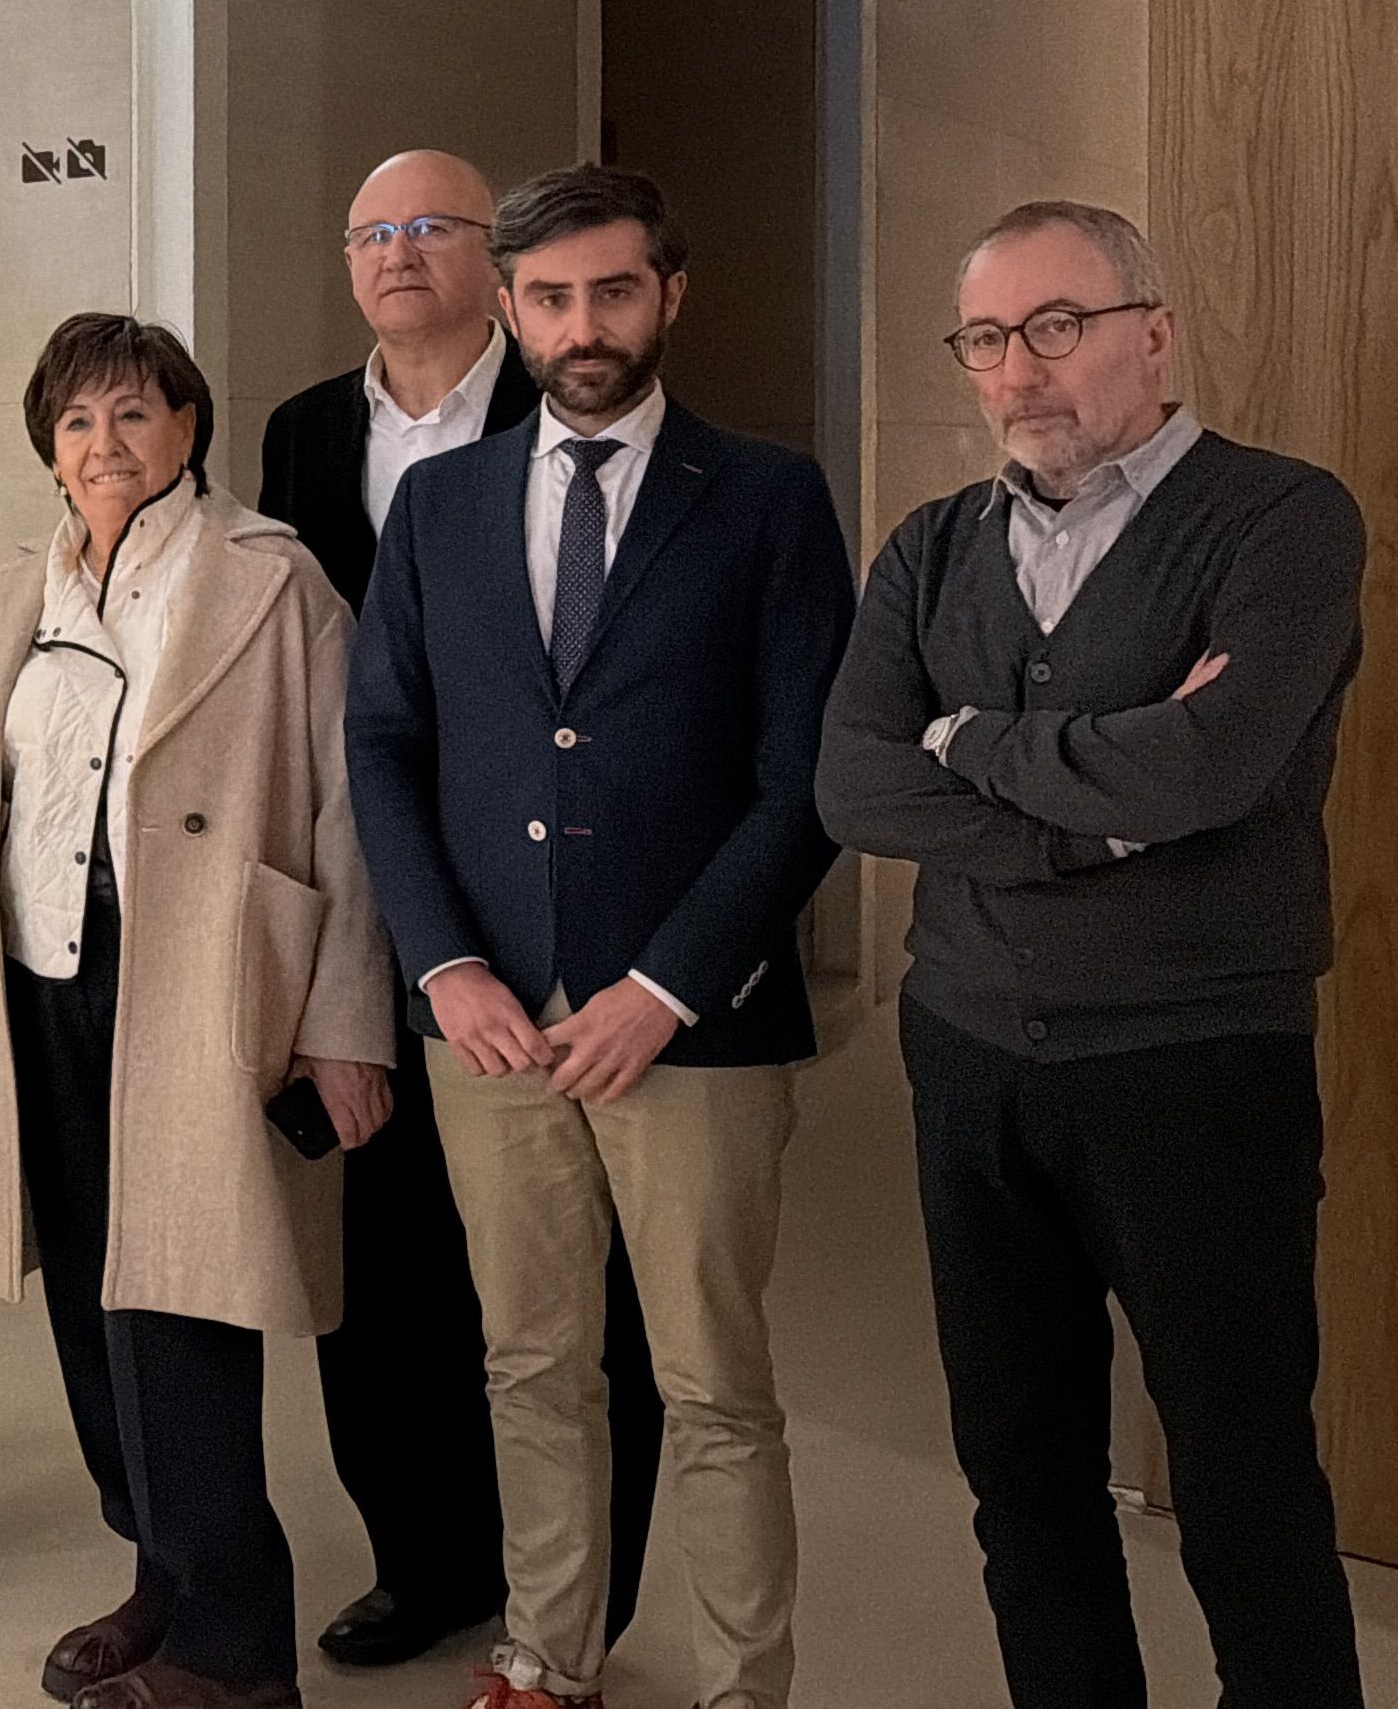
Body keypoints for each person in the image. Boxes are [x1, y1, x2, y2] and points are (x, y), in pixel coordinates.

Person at [816, 202, 1368, 1709]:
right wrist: (1095, 814)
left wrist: (972, 740)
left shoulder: (1282, 520)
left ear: (1154, 333)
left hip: (1194, 1066)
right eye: (988, 339)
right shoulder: (932, 546)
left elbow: (1206, 770)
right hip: (969, 1056)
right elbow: (854, 785)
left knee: (1242, 1474)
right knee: (1022, 1473)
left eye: (1058, 326)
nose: (1020, 371)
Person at [345, 164, 852, 1709]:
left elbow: (809, 777)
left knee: (710, 1387)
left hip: (690, 1021)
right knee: (529, 1365)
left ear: (670, 294)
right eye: (552, 298)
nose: (584, 326)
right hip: (488, 1019)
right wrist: (444, 967)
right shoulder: (439, 506)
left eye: (614, 291)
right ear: (508, 307)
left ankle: (741, 1685)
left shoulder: (768, 498)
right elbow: (382, 745)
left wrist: (667, 986)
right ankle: (546, 1654)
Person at [0, 314, 393, 1709]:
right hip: (42, 975)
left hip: (196, 981)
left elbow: (349, 807)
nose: (103, 445)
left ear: (186, 426)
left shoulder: (270, 578)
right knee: (84, 1292)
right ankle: (162, 1573)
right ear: (47, 449)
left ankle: (239, 1654)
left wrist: (345, 1021)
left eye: (133, 415)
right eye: (75, 422)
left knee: (182, 1301)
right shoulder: (28, 583)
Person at [254, 152, 665, 1670]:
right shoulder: (303, 431)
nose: (398, 253)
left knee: (574, 1275)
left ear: (495, 266)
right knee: (387, 1251)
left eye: (431, 227)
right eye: (372, 232)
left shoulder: (563, 398)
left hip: (542, 905)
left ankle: (578, 1594)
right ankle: (420, 1553)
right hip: (373, 891)